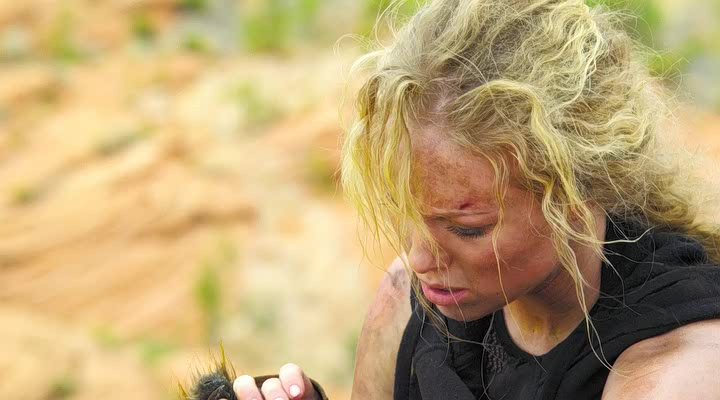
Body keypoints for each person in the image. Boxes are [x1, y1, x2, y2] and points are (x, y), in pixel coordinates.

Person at [225, 0, 720, 399]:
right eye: (408, 214)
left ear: (576, 193)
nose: (418, 260)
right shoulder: (407, 303)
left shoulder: (673, 372)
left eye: (468, 229)